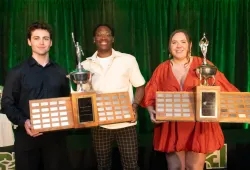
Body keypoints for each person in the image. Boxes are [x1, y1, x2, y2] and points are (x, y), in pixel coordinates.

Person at [141, 29, 239, 170]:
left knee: (194, 167)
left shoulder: (203, 64)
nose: (178, 46)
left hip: (198, 126)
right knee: (176, 167)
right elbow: (149, 96)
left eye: (183, 42)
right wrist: (151, 112)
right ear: (169, 46)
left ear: (190, 45)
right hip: (171, 125)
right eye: (174, 42)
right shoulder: (161, 69)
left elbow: (225, 88)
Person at [1, 21, 71, 170]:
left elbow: (67, 101)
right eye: (36, 38)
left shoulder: (60, 71)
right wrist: (24, 121)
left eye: (45, 38)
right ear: (29, 41)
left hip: (55, 140)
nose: (41, 42)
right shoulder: (17, 72)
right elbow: (7, 103)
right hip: (27, 138)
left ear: (51, 43)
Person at [81, 24, 145, 170]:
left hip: (127, 124)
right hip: (100, 125)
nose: (103, 38)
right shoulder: (85, 65)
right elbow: (84, 96)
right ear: (94, 39)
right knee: (103, 166)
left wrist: (134, 106)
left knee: (131, 166)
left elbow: (140, 86)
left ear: (113, 38)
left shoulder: (128, 60)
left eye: (107, 34)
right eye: (99, 34)